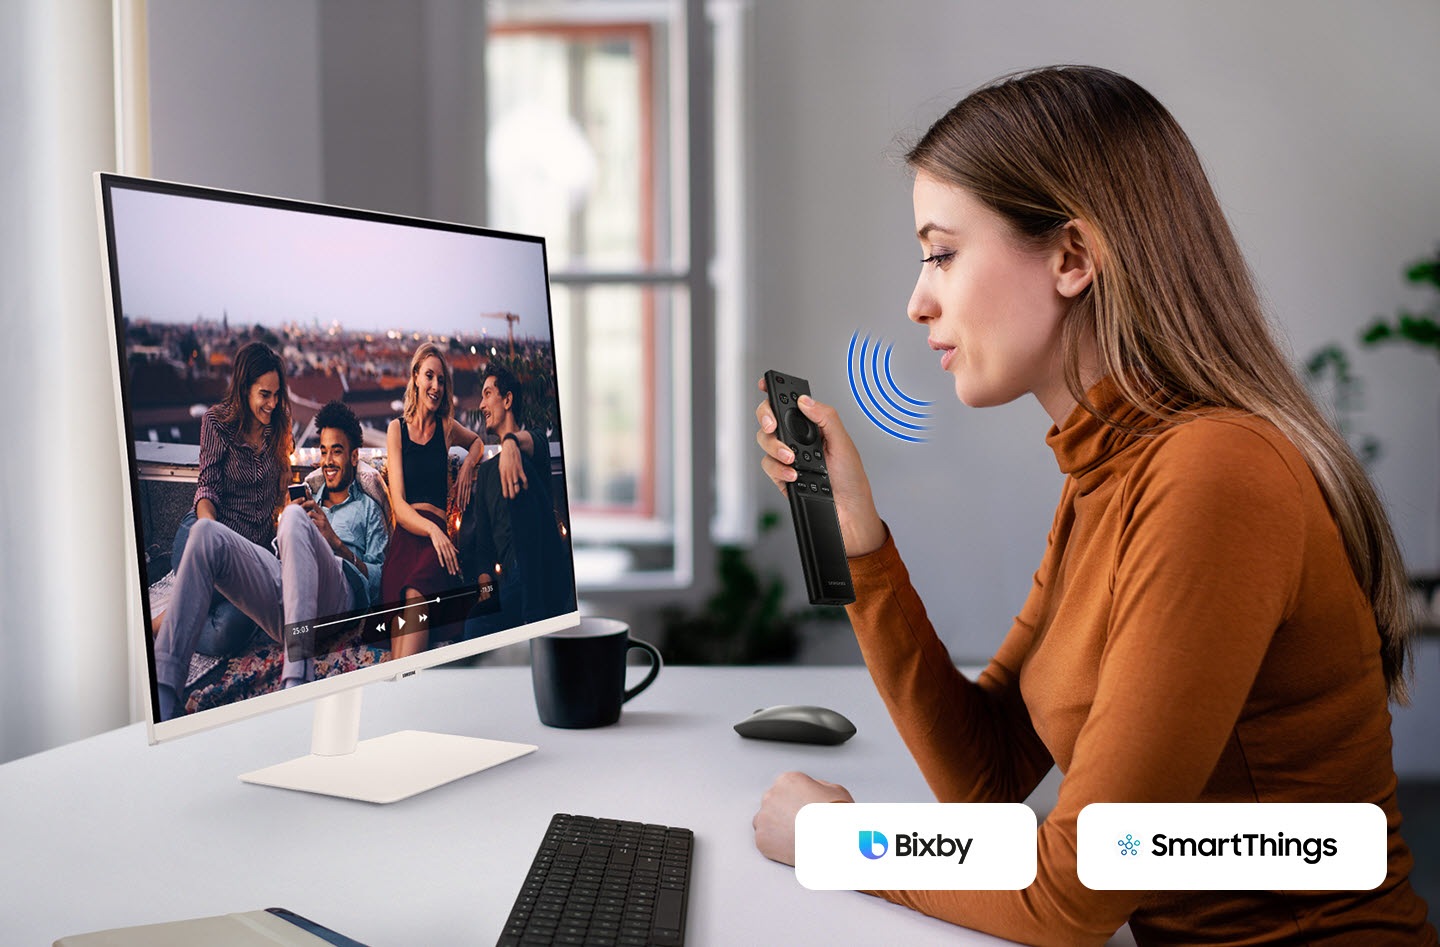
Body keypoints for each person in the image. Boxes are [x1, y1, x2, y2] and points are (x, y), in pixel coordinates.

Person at [750, 66, 1438, 945]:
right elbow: (990, 773)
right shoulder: (1108, 473)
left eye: (942, 251)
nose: (918, 300)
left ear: (1073, 256)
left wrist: (834, 841)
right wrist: (862, 545)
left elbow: (1073, 896)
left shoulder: (1210, 477)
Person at [153, 400, 387, 719]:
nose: (328, 460)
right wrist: (287, 535)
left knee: (292, 517)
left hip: (337, 596)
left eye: (337, 451)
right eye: (324, 451)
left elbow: (380, 580)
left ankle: (297, 679)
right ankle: (165, 693)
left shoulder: (367, 510)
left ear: (354, 456)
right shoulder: (309, 499)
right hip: (286, 599)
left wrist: (335, 543)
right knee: (206, 533)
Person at [381, 342, 490, 658]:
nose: (436, 386)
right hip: (409, 536)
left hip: (435, 545)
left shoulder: (446, 427)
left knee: (416, 596)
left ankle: (402, 692)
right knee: (403, 612)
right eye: (429, 376)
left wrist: (469, 462)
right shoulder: (396, 429)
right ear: (415, 377)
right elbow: (399, 506)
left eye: (441, 380)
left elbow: (478, 442)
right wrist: (433, 532)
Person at [457, 364, 573, 638]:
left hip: (543, 570)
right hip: (515, 581)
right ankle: (532, 618)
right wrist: (486, 591)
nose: (482, 404)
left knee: (524, 468)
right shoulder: (486, 473)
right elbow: (484, 550)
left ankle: (535, 615)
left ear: (507, 400)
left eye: (488, 394)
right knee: (475, 623)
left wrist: (510, 443)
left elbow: (534, 441)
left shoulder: (534, 449)